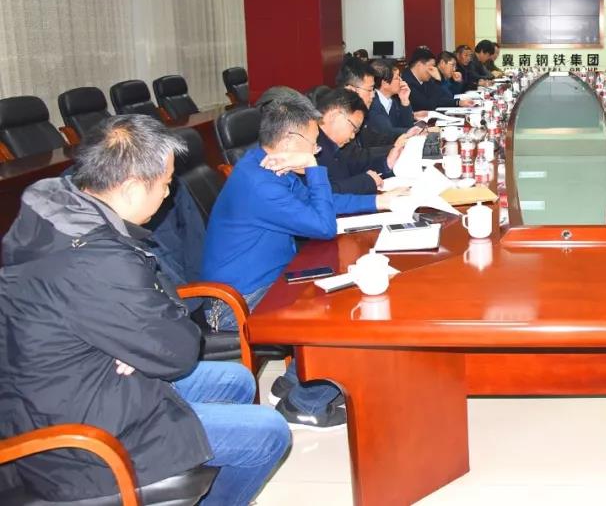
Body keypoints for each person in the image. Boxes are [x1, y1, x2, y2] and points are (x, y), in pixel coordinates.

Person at [0, 115, 290, 505]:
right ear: (133, 187)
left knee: (235, 380)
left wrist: (129, 343)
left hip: (72, 388)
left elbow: (161, 308)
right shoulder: (98, 258)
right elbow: (181, 351)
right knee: (269, 432)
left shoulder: (60, 211)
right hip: (82, 443)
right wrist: (135, 339)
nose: (169, 193)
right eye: (166, 183)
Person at [202, 88, 398, 428]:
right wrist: (312, 167)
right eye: (314, 145)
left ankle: (293, 381)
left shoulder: (264, 162)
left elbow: (318, 203)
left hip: (273, 278)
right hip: (235, 303)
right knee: (344, 309)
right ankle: (303, 404)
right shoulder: (260, 183)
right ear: (291, 142)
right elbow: (322, 225)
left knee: (349, 288)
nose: (318, 150)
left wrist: (380, 202)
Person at [315, 87, 416, 195]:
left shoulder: (335, 144)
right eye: (354, 128)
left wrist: (387, 163)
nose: (353, 136)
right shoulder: (310, 144)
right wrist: (367, 181)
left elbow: (355, 165)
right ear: (334, 116)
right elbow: (325, 193)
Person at [360, 59, 416, 148]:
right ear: (385, 83)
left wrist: (405, 100)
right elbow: (387, 133)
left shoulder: (393, 101)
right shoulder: (372, 103)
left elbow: (407, 125)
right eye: (397, 78)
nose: (401, 81)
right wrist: (415, 131)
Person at [402, 47, 473, 111]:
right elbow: (428, 106)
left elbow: (439, 99)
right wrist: (438, 81)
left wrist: (458, 102)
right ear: (419, 65)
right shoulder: (406, 82)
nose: (434, 69)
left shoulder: (425, 80)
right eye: (431, 66)